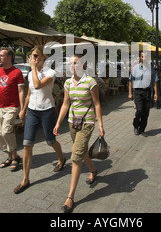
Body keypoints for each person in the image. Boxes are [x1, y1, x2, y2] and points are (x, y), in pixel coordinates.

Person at [53, 54, 104, 213]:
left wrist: (100, 124)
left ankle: (70, 197)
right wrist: (58, 122)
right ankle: (93, 171)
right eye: (70, 64)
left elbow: (97, 104)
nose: (71, 66)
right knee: (81, 152)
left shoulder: (90, 82)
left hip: (87, 123)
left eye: (75, 63)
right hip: (72, 123)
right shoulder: (68, 83)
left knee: (75, 156)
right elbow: (65, 104)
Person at [13, 46, 67, 194]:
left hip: (47, 110)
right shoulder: (31, 74)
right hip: (32, 111)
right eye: (32, 56)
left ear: (44, 57)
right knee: (27, 144)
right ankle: (25, 179)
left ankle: (61, 158)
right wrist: (23, 110)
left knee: (50, 141)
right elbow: (30, 93)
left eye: (36, 56)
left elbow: (37, 85)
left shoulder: (50, 73)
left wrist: (33, 69)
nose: (34, 59)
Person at [0, 47, 24, 172]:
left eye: (1, 55)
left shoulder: (17, 72)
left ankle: (14, 157)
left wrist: (23, 109)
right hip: (0, 108)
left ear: (9, 57)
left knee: (7, 131)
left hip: (12, 107)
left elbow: (21, 91)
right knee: (0, 134)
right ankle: (12, 156)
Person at [128, 51, 158, 136]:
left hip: (147, 91)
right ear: (140, 58)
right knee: (139, 110)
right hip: (137, 91)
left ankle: (142, 129)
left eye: (146, 57)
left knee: (146, 112)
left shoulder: (151, 68)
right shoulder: (135, 68)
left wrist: (156, 93)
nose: (144, 58)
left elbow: (155, 81)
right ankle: (136, 124)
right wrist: (130, 93)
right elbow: (130, 81)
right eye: (142, 56)